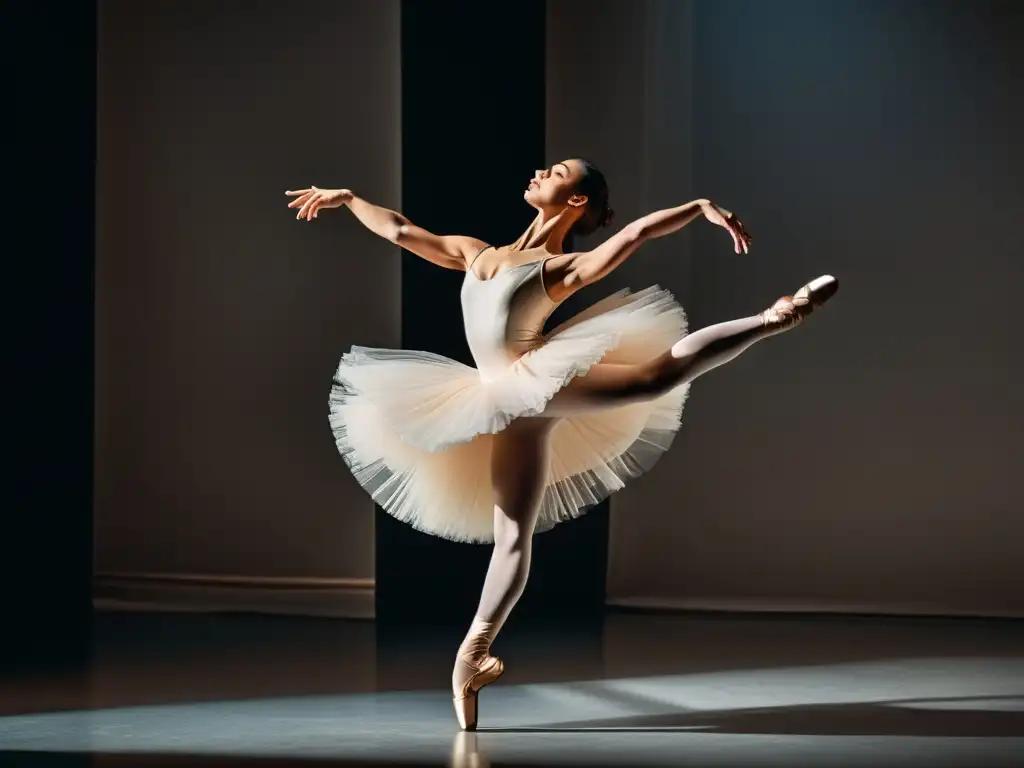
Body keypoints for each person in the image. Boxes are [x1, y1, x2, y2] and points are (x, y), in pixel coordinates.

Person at [285, 158, 837, 730]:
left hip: (538, 381)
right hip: (500, 401)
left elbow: (635, 233)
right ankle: (471, 657)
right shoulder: (476, 253)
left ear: (575, 203)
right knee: (511, 537)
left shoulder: (563, 268)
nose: (540, 171)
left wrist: (698, 209)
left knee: (653, 377)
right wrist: (349, 198)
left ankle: (779, 316)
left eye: (557, 172)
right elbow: (401, 230)